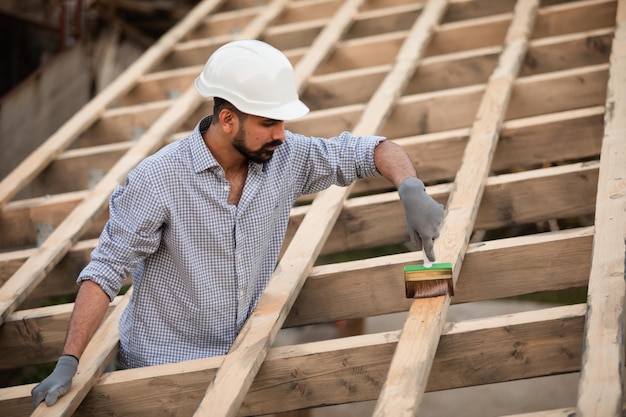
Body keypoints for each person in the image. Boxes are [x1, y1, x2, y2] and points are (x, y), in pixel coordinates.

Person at [31, 39, 444, 408]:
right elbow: (105, 271)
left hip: (241, 353)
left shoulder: (284, 155)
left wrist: (409, 186)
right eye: (268, 123)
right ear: (228, 120)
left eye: (282, 122)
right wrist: (70, 359)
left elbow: (371, 149)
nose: (282, 135)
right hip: (162, 372)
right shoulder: (158, 180)